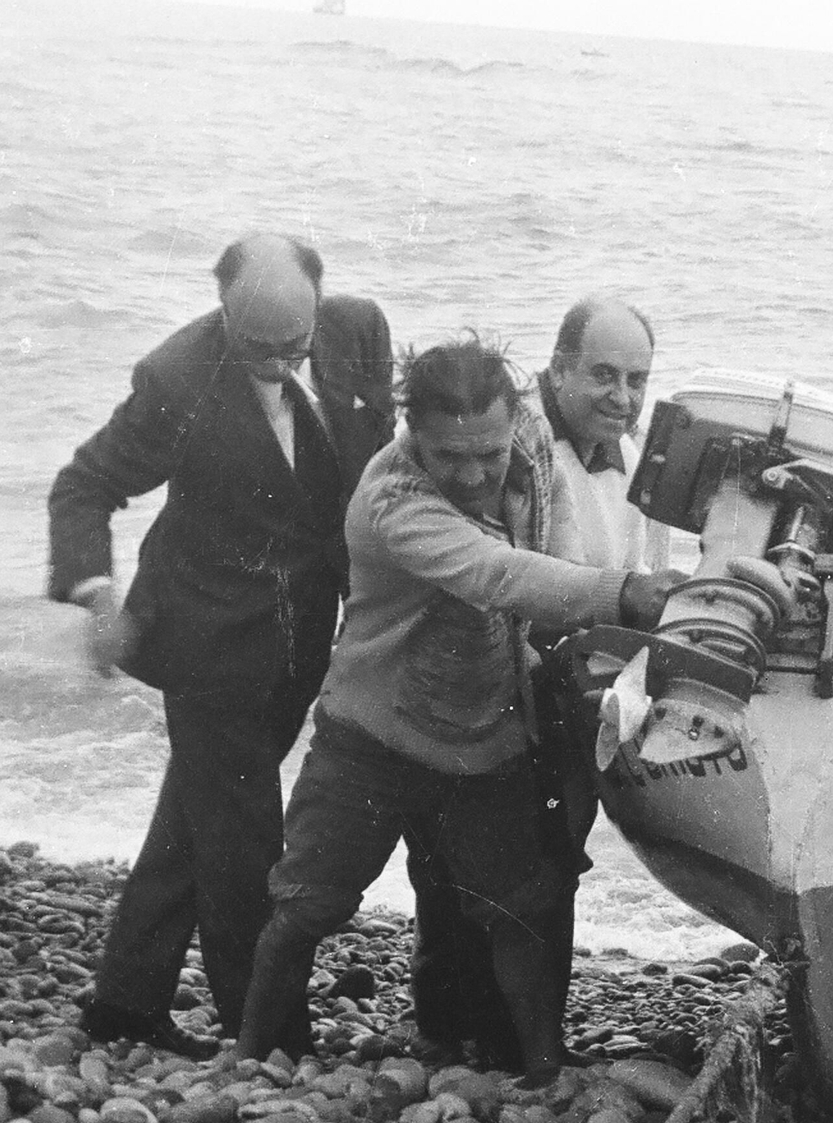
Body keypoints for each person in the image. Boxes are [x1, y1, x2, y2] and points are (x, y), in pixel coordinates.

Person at [236, 334, 679, 1075]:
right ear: (415, 434)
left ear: (514, 423)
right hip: (373, 732)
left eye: (490, 454)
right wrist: (625, 592)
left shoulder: (530, 433)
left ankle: (543, 1065)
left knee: (522, 906)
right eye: (452, 458)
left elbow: (562, 484)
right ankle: (253, 1057)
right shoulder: (392, 501)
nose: (474, 475)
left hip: (484, 730)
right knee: (309, 902)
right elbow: (495, 573)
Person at [47, 235, 394, 1056]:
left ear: (320, 303)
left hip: (305, 636)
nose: (278, 364)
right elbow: (84, 486)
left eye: (294, 346)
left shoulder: (357, 333)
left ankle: (126, 1002)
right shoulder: (175, 380)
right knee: (243, 837)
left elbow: (372, 469)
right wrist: (100, 597)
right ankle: (266, 1029)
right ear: (221, 309)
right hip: (206, 638)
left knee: (199, 814)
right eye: (255, 347)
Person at [407, 296, 679, 1067]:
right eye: (601, 374)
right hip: (487, 681)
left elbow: (646, 574)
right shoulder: (513, 447)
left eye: (636, 379)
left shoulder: (635, 461)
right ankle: (452, 1026)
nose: (621, 397)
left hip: (578, 686)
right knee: (459, 862)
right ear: (556, 368)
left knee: (552, 861)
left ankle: (521, 1035)